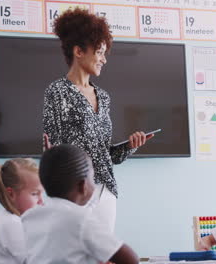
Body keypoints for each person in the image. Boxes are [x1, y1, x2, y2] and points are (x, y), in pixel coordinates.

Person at [43, 8, 152, 232]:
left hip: (104, 191)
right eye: (99, 52)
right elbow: (51, 152)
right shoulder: (57, 92)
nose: (103, 59)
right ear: (79, 51)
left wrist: (130, 147)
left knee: (104, 255)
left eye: (105, 53)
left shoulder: (103, 97)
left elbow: (106, 155)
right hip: (72, 193)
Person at [22, 144, 139, 264]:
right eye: (92, 178)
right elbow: (130, 259)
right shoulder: (81, 220)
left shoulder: (29, 216)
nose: (94, 183)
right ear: (83, 186)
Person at [0, 159, 44, 264]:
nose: (41, 201)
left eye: (41, 194)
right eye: (35, 194)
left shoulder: (12, 218)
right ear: (11, 194)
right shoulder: (12, 223)